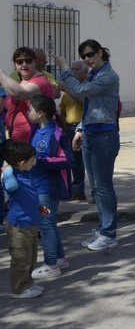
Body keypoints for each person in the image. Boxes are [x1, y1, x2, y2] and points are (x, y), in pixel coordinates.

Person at [54, 40, 120, 251]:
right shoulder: (94, 74)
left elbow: (80, 91)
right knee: (96, 187)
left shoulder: (108, 76)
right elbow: (91, 106)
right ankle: (103, 230)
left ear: (100, 52)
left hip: (104, 137)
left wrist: (65, 67)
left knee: (103, 186)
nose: (87, 59)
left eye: (90, 54)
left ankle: (108, 233)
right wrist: (81, 129)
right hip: (91, 135)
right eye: (84, 56)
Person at [26, 96, 73, 281]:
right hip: (38, 186)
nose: (27, 112)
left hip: (48, 189)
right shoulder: (37, 131)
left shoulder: (56, 133)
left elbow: (67, 160)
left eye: (30, 109)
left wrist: (40, 161)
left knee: (46, 224)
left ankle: (51, 265)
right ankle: (60, 259)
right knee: (49, 223)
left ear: (40, 113)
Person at [3, 140, 43, 299]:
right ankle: (19, 289)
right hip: (18, 225)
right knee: (21, 259)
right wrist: (7, 170)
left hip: (31, 223)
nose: (35, 161)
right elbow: (10, 187)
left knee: (31, 257)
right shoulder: (11, 177)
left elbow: (31, 197)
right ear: (21, 163)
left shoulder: (26, 173)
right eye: (32, 159)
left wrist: (42, 210)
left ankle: (28, 283)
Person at [0, 46, 58, 143]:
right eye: (19, 62)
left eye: (28, 60)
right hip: (18, 139)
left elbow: (20, 94)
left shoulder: (41, 81)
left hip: (35, 139)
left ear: (34, 61)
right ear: (15, 64)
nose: (24, 64)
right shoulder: (23, 82)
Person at [59, 61, 87, 201]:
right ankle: (69, 189)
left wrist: (67, 89)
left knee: (78, 161)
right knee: (69, 159)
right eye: (72, 69)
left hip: (80, 128)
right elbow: (63, 110)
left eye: (77, 69)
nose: (73, 72)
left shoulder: (86, 88)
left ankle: (78, 190)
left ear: (85, 72)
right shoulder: (67, 93)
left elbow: (83, 101)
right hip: (68, 127)